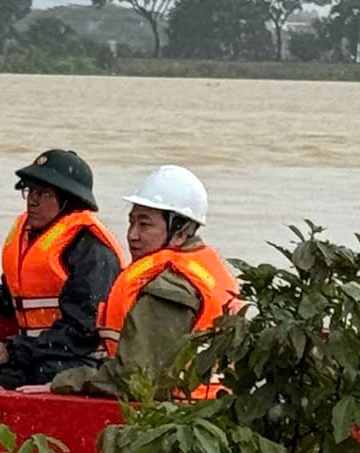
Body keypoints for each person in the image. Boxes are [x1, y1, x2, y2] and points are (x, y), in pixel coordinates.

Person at [0, 149, 126, 388]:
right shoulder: (33, 235)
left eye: (44, 193)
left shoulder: (91, 251)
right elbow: (11, 296)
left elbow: (83, 331)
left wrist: (10, 350)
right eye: (30, 190)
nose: (32, 200)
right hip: (40, 355)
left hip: (81, 365)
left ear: (69, 200)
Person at [44, 165, 239, 398]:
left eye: (144, 224)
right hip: (211, 404)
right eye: (131, 222)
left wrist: (63, 382)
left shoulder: (169, 288)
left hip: (176, 415)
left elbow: (136, 378)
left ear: (181, 230)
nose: (132, 234)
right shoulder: (206, 269)